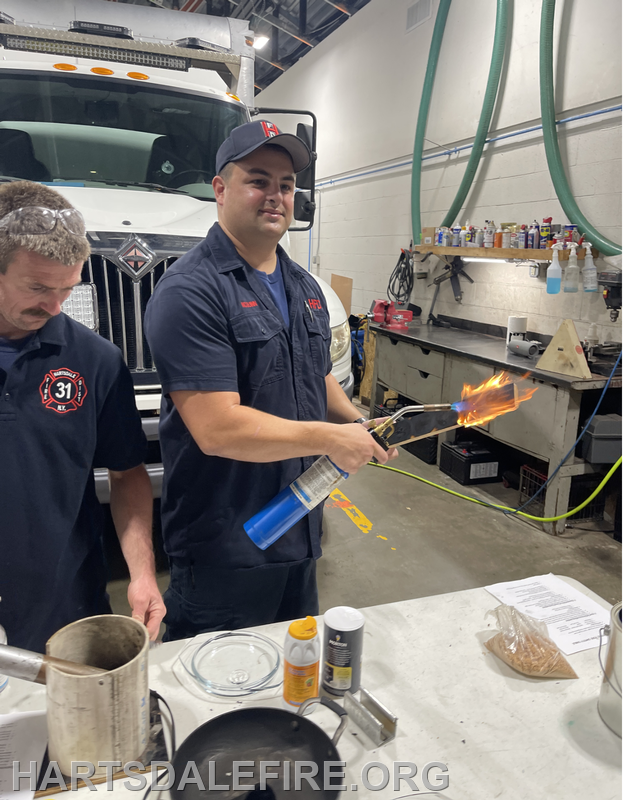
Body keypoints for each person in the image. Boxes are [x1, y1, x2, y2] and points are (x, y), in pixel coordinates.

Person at [145, 120, 396, 641]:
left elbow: (317, 374)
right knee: (215, 699)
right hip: (227, 544)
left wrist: (358, 422)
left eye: (286, 185)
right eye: (258, 180)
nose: (276, 196)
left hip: (299, 526)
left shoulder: (303, 286)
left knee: (291, 675)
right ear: (220, 188)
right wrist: (333, 438)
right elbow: (217, 429)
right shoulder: (190, 291)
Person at [0, 181, 165, 652]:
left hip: (66, 606)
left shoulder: (95, 360)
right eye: (37, 287)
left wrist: (142, 574)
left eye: (67, 288)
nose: (54, 307)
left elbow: (128, 471)